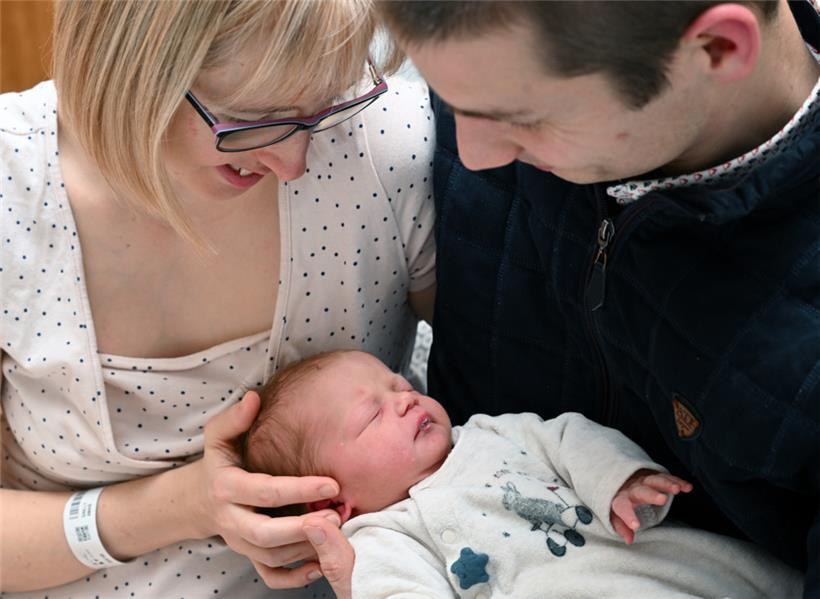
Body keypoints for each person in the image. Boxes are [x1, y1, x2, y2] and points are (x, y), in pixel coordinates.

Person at [375, 1, 820, 595]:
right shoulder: (495, 61)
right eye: (446, 96)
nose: (470, 154)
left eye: (522, 118)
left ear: (717, 48)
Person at [0, 1, 436, 597]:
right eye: (251, 119)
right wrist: (187, 505)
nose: (293, 161)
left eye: (320, 111)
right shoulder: (12, 189)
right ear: (130, 64)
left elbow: (502, 408)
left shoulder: (386, 142)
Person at [240, 349, 803, 598]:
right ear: (332, 502)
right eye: (372, 415)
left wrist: (619, 481)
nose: (405, 400)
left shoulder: (489, 431)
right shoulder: (383, 536)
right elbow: (395, 592)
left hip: (649, 560)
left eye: (399, 384)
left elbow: (567, 437)